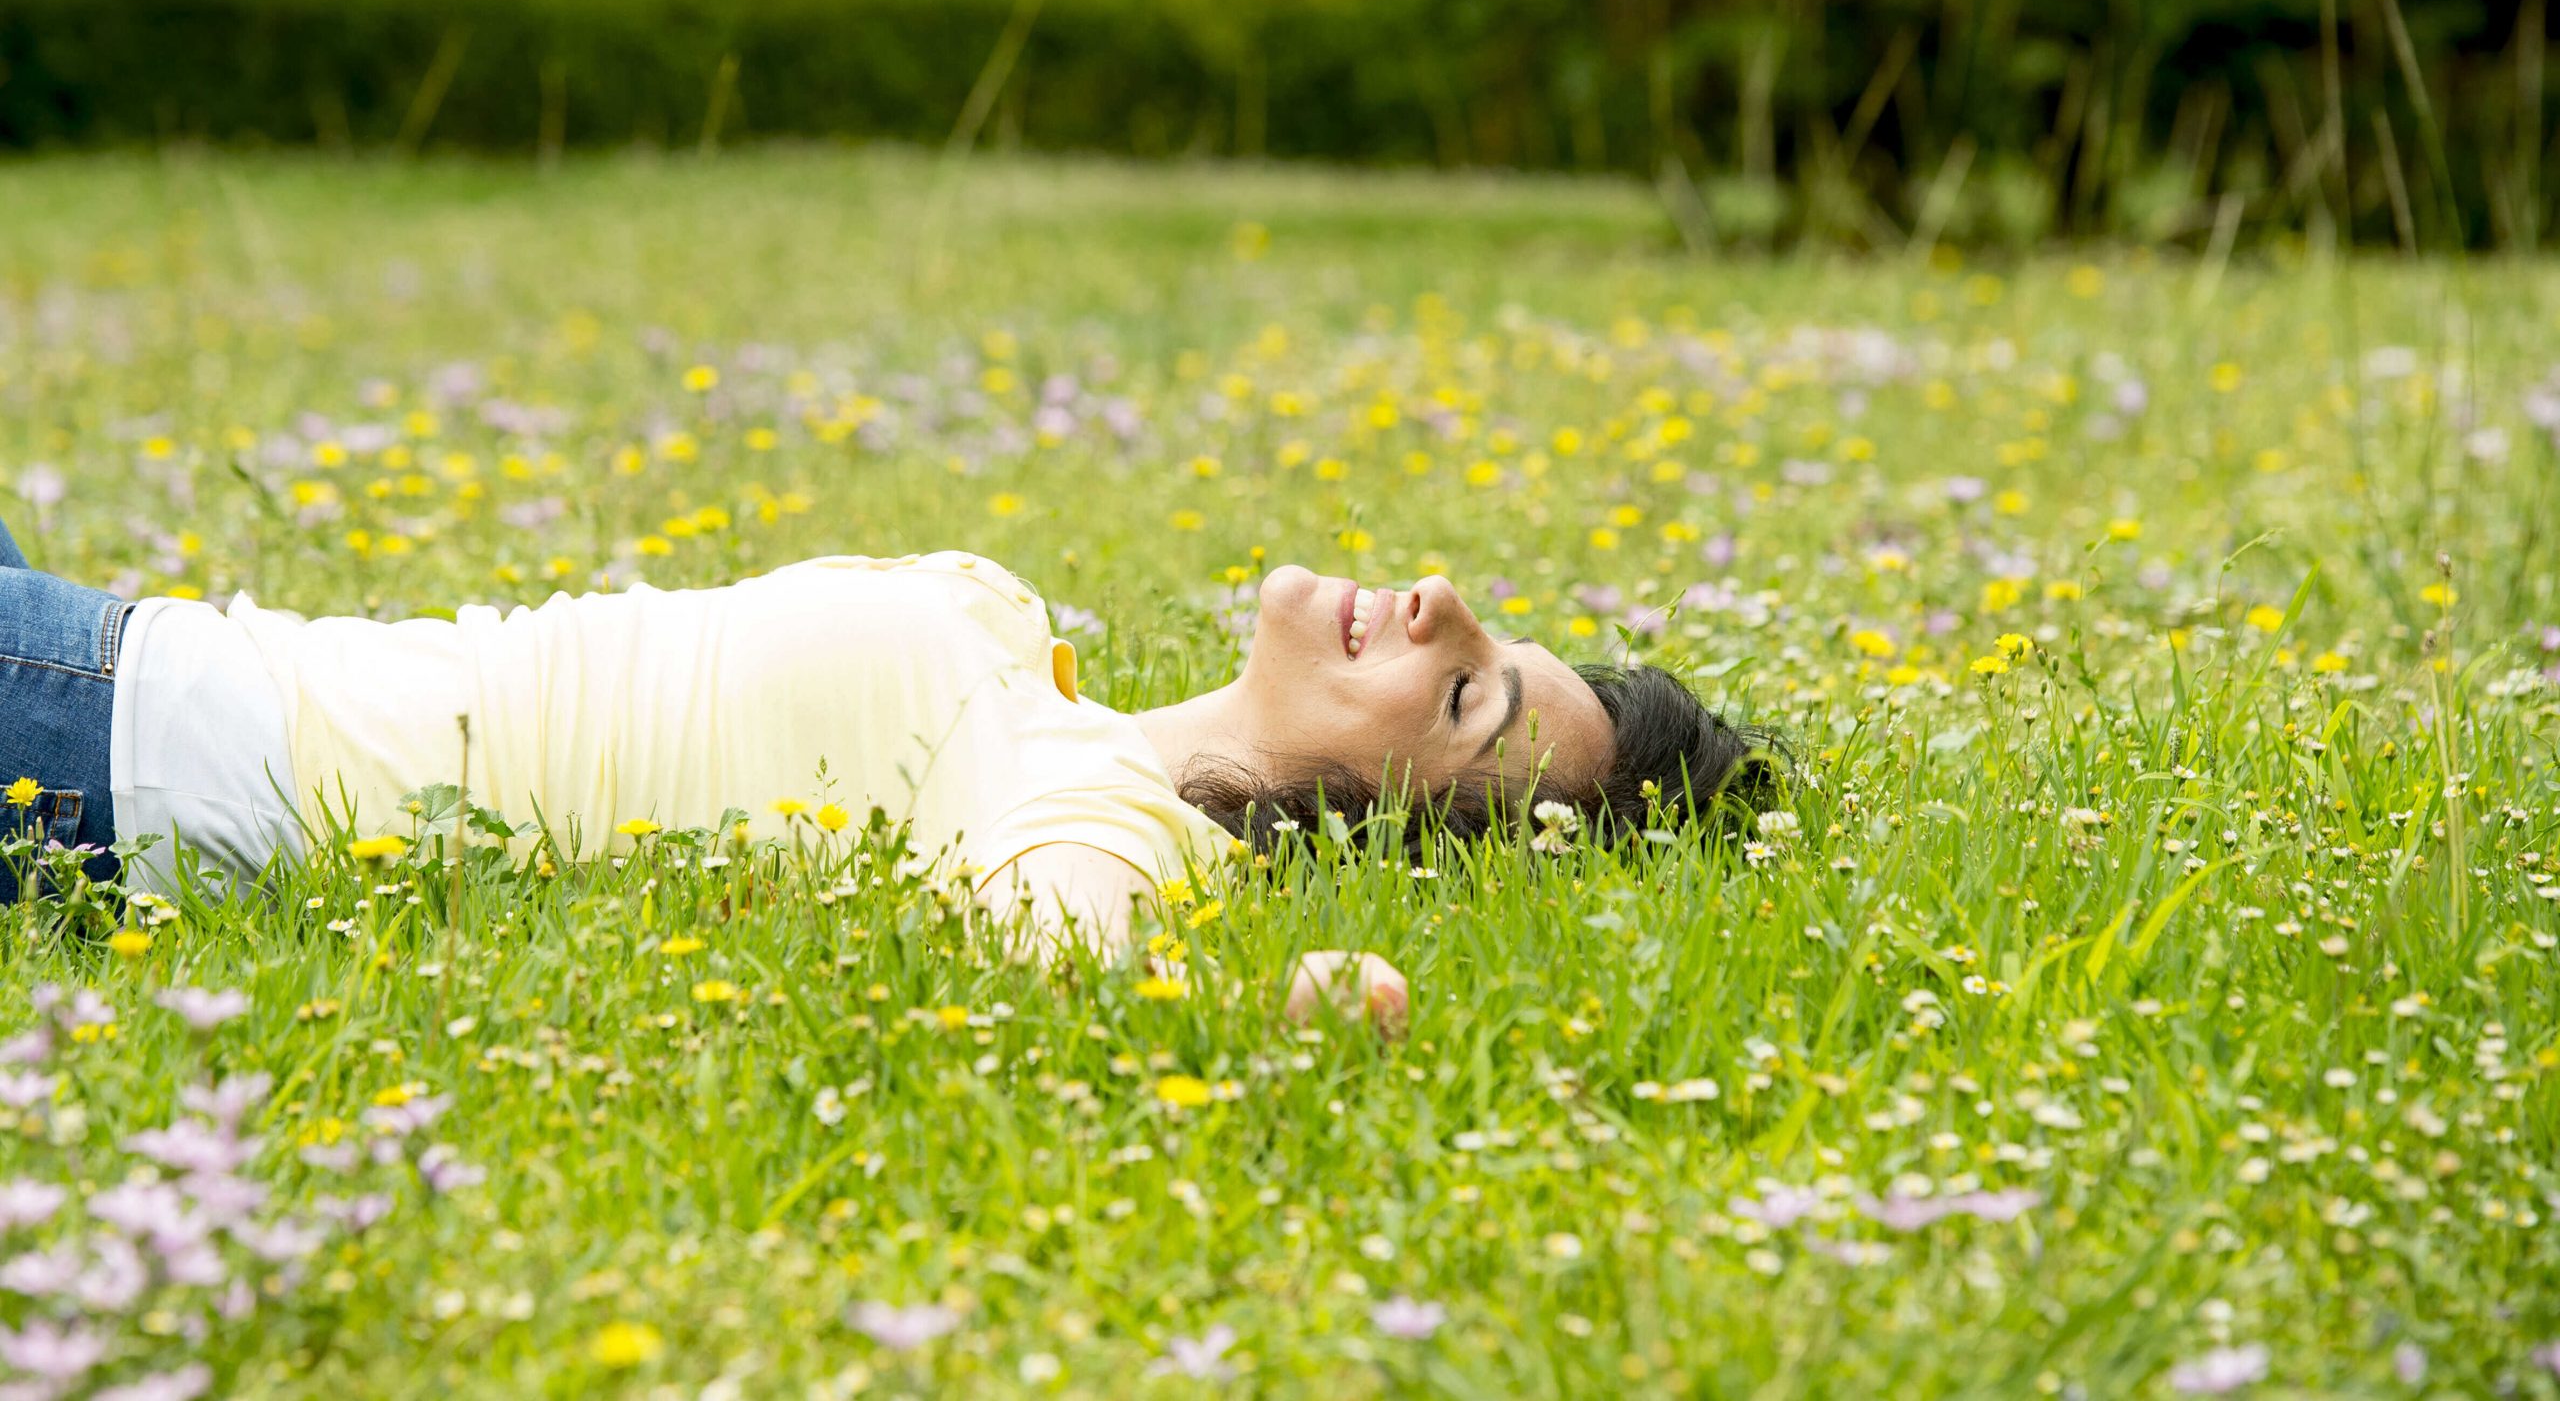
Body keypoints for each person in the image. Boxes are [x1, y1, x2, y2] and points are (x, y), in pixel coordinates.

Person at [1, 512, 1768, 1022]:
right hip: (125, 654)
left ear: (1380, 833)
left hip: (108, 754)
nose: (1446, 605)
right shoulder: (1043, 682)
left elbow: (1051, 970)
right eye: (1495, 637)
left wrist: (1286, 1009)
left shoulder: (1099, 813)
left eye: (1469, 697)